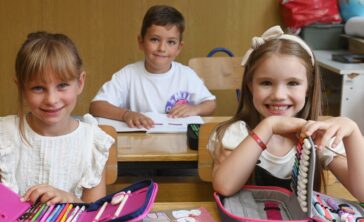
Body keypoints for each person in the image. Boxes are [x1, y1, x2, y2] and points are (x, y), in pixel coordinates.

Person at [208, 26, 364, 202]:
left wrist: (353, 132)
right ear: (250, 86)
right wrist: (269, 126)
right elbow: (225, 186)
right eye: (266, 83)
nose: (278, 95)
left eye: (293, 83)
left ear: (308, 88)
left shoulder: (317, 137)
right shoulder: (236, 134)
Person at [0, 32, 114, 205]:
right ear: (21, 88)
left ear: (80, 83)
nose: (51, 100)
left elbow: (93, 215)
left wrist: (69, 199)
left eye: (62, 85)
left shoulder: (92, 142)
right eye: (38, 88)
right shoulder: (3, 136)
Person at [89, 5, 216, 129]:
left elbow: (211, 104)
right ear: (141, 42)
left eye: (171, 42)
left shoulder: (187, 75)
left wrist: (195, 109)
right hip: (139, 143)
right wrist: (126, 114)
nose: (162, 48)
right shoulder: (128, 74)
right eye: (154, 40)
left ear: (179, 48)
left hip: (179, 143)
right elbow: (96, 106)